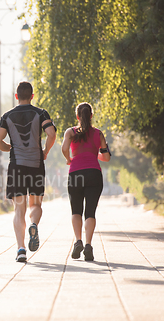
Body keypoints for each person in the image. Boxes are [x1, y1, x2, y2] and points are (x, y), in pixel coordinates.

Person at [0, 81, 57, 262]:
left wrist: (10, 148)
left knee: (18, 210)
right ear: (32, 96)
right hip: (36, 165)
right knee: (35, 205)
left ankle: (21, 249)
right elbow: (51, 134)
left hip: (17, 167)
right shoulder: (41, 113)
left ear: (16, 96)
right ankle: (34, 225)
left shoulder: (7, 116)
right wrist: (45, 151)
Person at [61, 102, 111, 261]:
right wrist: (93, 154)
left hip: (75, 173)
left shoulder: (70, 132)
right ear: (91, 115)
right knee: (90, 212)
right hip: (94, 174)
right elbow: (107, 157)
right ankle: (88, 245)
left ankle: (78, 241)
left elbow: (64, 148)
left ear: (77, 116)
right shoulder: (99, 134)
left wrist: (69, 159)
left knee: (76, 210)